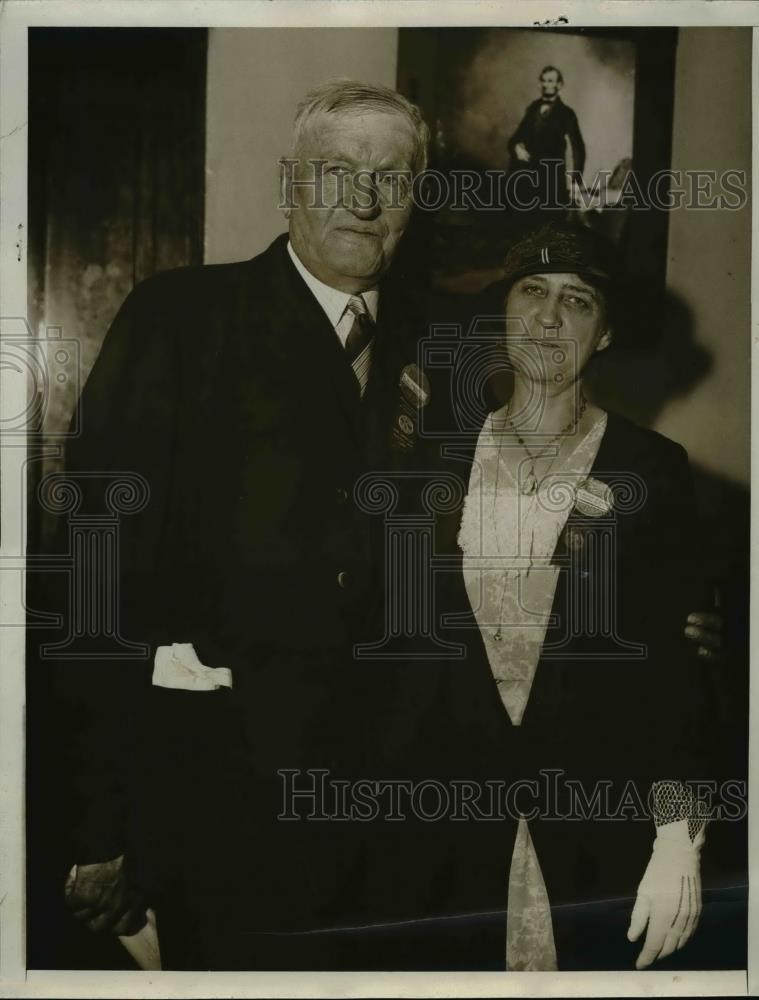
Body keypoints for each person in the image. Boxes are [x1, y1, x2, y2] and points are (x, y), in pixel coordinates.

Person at [57, 83, 721, 972]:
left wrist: (685, 627)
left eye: (391, 177)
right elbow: (91, 575)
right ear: (289, 183)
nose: (364, 200)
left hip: (403, 822)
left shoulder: (442, 345)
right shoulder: (181, 320)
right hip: (224, 797)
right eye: (337, 172)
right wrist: (96, 827)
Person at [430, 220, 716, 971]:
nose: (551, 317)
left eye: (578, 301)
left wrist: (677, 838)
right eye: (532, 292)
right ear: (503, 315)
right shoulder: (433, 462)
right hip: (441, 838)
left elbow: (680, 673)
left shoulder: (649, 467)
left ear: (606, 333)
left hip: (596, 832)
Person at [507, 66, 585, 212]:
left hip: (551, 183)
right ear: (539, 83)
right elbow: (516, 138)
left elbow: (578, 149)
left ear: (559, 85)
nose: (546, 85)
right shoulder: (532, 108)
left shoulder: (567, 113)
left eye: (550, 81)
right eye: (543, 81)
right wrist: (516, 147)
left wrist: (576, 182)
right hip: (525, 181)